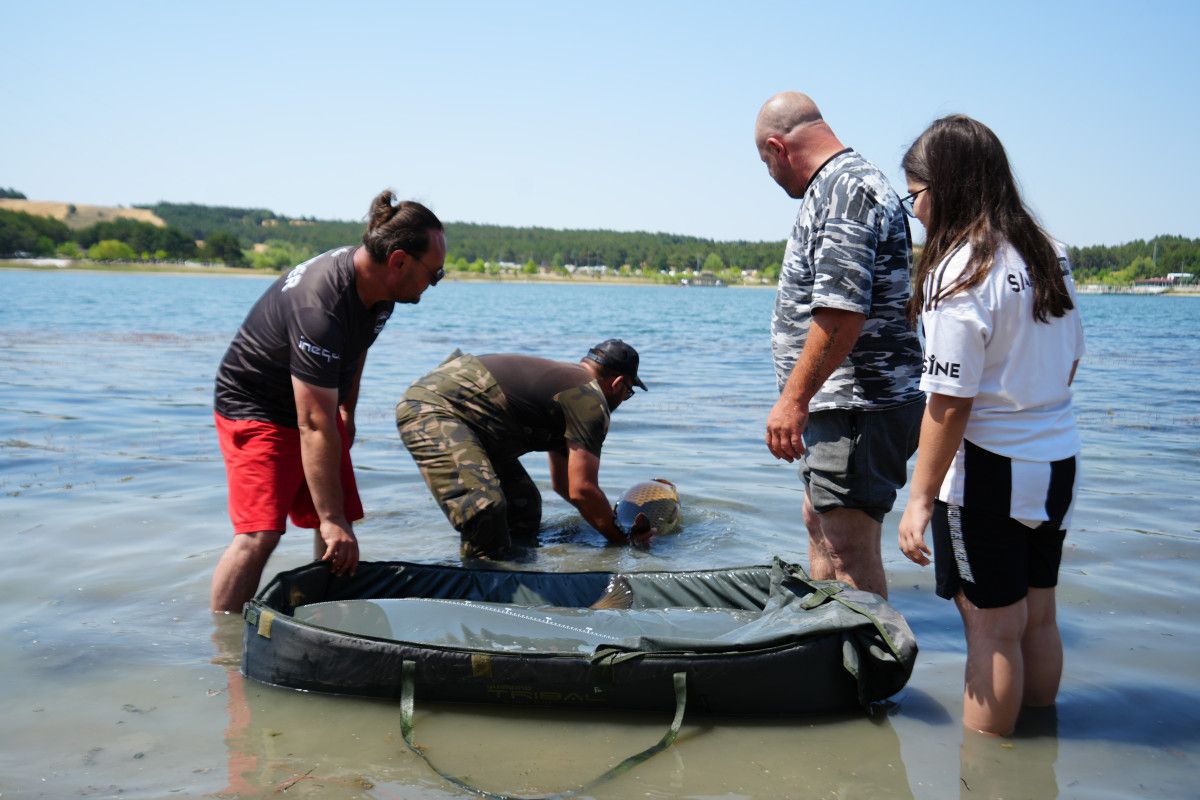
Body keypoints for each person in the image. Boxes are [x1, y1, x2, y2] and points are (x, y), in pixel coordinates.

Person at [896, 115, 1084, 736]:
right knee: (1039, 618)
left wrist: (919, 500)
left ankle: (990, 774)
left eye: (916, 194)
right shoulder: (1047, 250)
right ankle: (1040, 753)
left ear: (945, 188)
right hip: (1057, 462)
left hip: (990, 472)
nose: (916, 211)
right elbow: (1073, 359)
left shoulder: (961, 269)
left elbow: (948, 403)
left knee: (993, 631)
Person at [210, 190, 446, 612]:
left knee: (339, 521)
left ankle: (327, 612)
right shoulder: (321, 307)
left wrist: (348, 412)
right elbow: (312, 424)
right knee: (260, 533)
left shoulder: (380, 290)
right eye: (436, 273)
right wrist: (331, 518)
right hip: (256, 405)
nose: (435, 282)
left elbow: (356, 349)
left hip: (313, 402)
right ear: (398, 261)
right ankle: (221, 645)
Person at [754, 91, 925, 598]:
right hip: (844, 406)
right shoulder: (841, 186)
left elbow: (843, 313)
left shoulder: (846, 189)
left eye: (766, 163)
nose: (770, 175)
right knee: (818, 521)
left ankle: (870, 671)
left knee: (849, 547)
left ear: (777, 147)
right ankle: (826, 653)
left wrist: (793, 399)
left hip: (859, 405)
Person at [395, 340, 652, 558]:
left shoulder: (572, 391)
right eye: (628, 392)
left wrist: (606, 526)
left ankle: (515, 569)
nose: (623, 399)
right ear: (618, 383)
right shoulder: (589, 399)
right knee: (484, 507)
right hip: (434, 409)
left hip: (472, 422)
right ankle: (482, 582)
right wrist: (622, 539)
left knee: (523, 505)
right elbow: (583, 490)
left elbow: (565, 486)